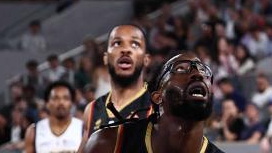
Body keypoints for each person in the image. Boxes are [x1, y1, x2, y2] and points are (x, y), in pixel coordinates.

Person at [81, 53, 224, 153]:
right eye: (181, 69)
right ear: (158, 97)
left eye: (204, 71)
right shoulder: (110, 143)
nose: (198, 74)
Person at [79, 25, 153, 149]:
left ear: (146, 59)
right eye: (117, 43)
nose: (125, 49)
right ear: (106, 58)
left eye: (135, 44)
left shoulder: (160, 106)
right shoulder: (91, 110)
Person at [24, 82, 82, 153]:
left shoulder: (83, 128)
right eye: (56, 98)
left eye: (66, 98)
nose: (61, 102)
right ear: (47, 103)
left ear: (72, 103)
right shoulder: (33, 131)